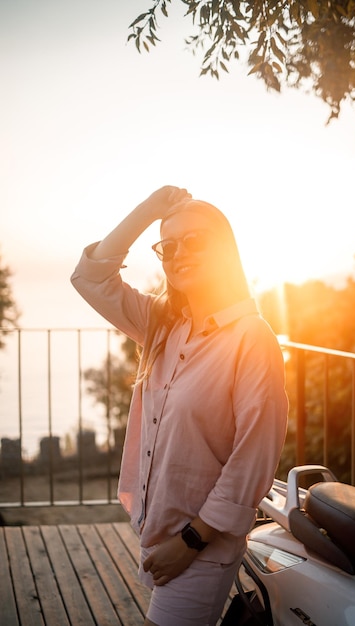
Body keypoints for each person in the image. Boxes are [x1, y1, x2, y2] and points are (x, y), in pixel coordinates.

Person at [71, 185, 288, 626]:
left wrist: (190, 540)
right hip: (161, 531)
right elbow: (89, 277)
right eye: (168, 246)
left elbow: (252, 460)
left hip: (203, 544)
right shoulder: (163, 324)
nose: (179, 253)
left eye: (195, 241)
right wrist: (149, 211)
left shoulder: (251, 337)